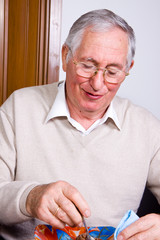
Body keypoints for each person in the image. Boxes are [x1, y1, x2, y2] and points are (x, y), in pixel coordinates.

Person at [0, 8, 160, 240]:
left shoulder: (147, 127)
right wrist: (30, 197)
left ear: (128, 69)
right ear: (66, 56)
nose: (97, 83)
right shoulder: (19, 106)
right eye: (87, 65)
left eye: (112, 71)